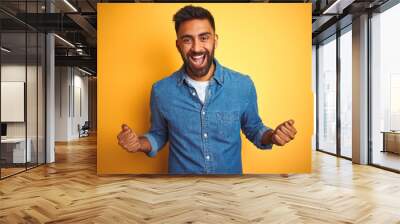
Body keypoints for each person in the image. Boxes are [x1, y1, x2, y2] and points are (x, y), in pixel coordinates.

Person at [117, 5, 297, 174]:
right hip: (181, 192)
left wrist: (272, 136)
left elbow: (254, 128)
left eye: (204, 38)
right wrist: (139, 144)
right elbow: (159, 134)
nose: (196, 48)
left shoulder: (243, 85)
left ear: (215, 40)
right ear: (178, 44)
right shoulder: (161, 91)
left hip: (229, 191)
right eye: (188, 40)